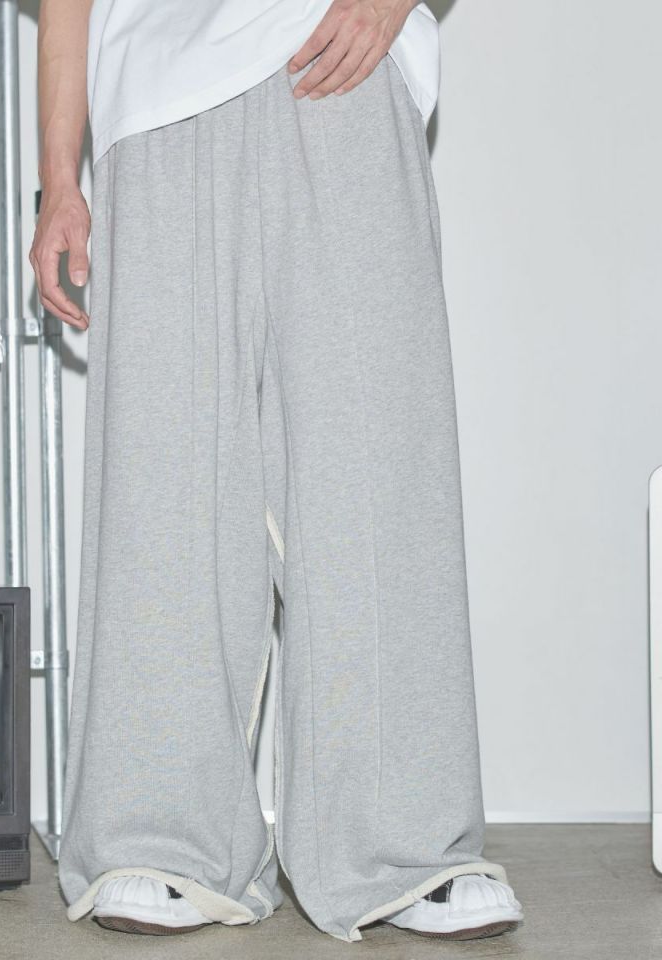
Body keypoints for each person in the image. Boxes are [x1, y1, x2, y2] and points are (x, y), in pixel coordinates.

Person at [30, 0, 525, 944]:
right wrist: (60, 178)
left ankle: (409, 845)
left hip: (340, 61)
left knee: (379, 469)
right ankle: (159, 838)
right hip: (158, 93)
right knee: (165, 484)